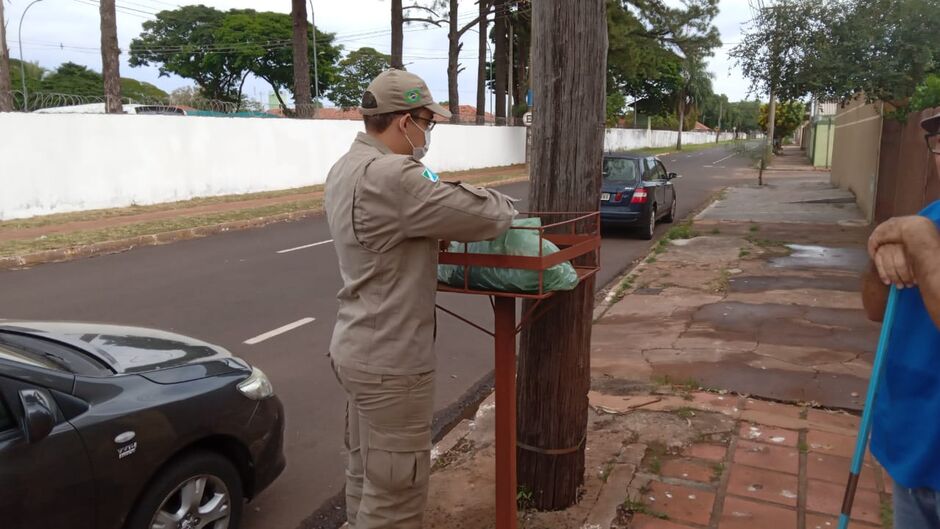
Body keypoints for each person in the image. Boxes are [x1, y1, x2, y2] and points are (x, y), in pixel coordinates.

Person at [324, 69, 517, 529]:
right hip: (393, 364)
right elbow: (487, 215)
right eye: (427, 121)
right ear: (403, 121)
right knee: (396, 499)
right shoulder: (395, 176)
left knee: (365, 475)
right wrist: (503, 203)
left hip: (354, 348)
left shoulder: (346, 167)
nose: (428, 132)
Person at [863, 111, 940, 528]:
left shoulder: (923, 231)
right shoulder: (929, 218)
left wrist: (922, 243)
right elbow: (875, 310)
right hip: (913, 458)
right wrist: (879, 260)